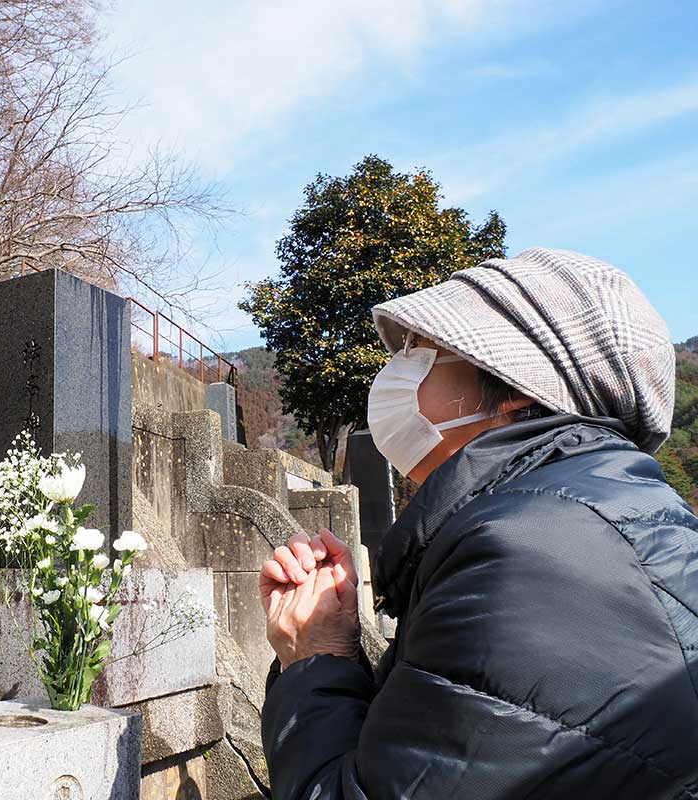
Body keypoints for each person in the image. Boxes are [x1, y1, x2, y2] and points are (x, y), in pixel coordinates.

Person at [258, 248, 697, 798]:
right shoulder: (601, 518)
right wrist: (339, 650)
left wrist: (313, 660)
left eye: (420, 351)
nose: (395, 373)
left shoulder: (531, 555)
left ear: (515, 389)